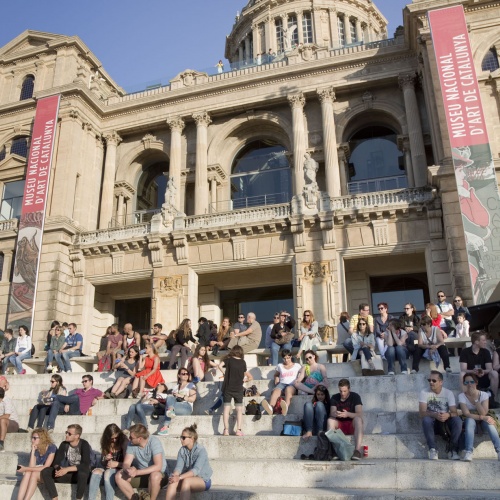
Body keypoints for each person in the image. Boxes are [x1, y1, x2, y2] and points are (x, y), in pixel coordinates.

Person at [115, 423, 168, 500]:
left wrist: (137, 472)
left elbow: (158, 466)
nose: (129, 438)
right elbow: (126, 463)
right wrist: (128, 470)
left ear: (139, 439)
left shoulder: (154, 442)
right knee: (119, 476)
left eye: (131, 437)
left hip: (159, 476)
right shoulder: (131, 443)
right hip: (142, 476)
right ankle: (135, 498)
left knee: (155, 475)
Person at [418, 370, 462, 460]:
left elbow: (454, 412)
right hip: (432, 423)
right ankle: (432, 449)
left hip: (445, 423)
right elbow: (422, 413)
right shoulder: (424, 392)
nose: (431, 382)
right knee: (426, 420)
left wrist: (448, 415)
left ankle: (452, 450)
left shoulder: (448, 393)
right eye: (429, 380)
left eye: (434, 380)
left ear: (441, 382)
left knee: (457, 420)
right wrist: (435, 415)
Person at [40, 424, 91, 500]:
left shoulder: (84, 444)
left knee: (82, 474)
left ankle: (78, 498)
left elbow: (85, 465)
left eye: (69, 433)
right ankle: (54, 498)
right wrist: (58, 469)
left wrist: (67, 469)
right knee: (46, 471)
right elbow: (56, 462)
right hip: (68, 474)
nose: (66, 435)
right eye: (66, 432)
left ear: (77, 436)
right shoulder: (64, 444)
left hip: (79, 475)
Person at [458, 373, 500, 462]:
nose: (469, 384)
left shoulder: (484, 395)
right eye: (466, 382)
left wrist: (476, 400)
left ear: (476, 382)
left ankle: (499, 450)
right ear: (464, 384)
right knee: (469, 421)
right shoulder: (461, 396)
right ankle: (468, 451)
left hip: (482, 417)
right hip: (471, 419)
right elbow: (467, 414)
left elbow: (484, 412)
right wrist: (482, 417)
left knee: (490, 423)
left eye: (472, 382)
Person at [165, 423, 213, 499]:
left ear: (192, 438)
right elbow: (178, 468)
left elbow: (196, 470)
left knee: (186, 481)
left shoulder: (201, 450)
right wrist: (174, 476)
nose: (181, 439)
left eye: (183, 437)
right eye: (181, 437)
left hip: (203, 480)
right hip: (188, 478)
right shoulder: (182, 450)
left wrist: (179, 477)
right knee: (173, 481)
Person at [88, 423, 129, 500]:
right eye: (111, 438)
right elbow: (102, 463)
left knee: (108, 473)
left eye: (116, 437)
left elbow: (128, 464)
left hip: (121, 469)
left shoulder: (124, 442)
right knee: (95, 472)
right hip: (108, 468)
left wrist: (117, 464)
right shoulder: (106, 443)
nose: (114, 440)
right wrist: (105, 459)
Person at [327, 378, 364, 460]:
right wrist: (336, 413)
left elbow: (359, 414)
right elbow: (332, 413)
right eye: (341, 391)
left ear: (349, 389)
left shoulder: (355, 397)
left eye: (345, 391)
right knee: (330, 420)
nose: (342, 393)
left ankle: (357, 450)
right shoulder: (335, 397)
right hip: (339, 424)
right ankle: (334, 450)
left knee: (358, 419)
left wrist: (347, 414)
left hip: (352, 424)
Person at [219, 345, 252, 436]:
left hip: (228, 388)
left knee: (226, 409)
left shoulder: (228, 360)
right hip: (238, 389)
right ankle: (238, 430)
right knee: (239, 409)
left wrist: (224, 373)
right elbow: (246, 374)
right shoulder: (242, 362)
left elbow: (219, 365)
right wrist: (245, 379)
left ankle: (226, 430)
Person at [16, 428, 57, 500]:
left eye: (35, 438)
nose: (32, 440)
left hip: (47, 474)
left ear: (42, 438)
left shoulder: (51, 447)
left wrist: (25, 469)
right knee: (28, 473)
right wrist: (33, 451)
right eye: (32, 438)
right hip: (36, 472)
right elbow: (31, 466)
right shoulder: (35, 448)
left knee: (30, 472)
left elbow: (46, 467)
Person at [261, 349, 301, 417]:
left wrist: (299, 381)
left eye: (288, 358)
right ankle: (271, 408)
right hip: (282, 383)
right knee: (276, 391)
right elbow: (276, 375)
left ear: (291, 357)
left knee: (288, 390)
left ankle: (285, 408)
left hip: (292, 384)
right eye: (284, 358)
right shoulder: (280, 366)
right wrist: (276, 381)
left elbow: (302, 374)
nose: (286, 360)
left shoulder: (297, 365)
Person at [158, 369, 197, 436]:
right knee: (170, 397)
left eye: (187, 373)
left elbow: (192, 399)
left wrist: (182, 396)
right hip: (175, 405)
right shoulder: (176, 387)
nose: (186, 375)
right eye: (183, 374)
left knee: (168, 407)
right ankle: (166, 424)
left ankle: (165, 427)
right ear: (179, 375)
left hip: (186, 406)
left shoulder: (191, 385)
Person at [459, 332, 498, 398]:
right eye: (483, 340)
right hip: (471, 377)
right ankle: (465, 398)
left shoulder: (486, 352)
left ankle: (494, 398)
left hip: (484, 376)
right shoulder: (465, 352)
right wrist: (473, 371)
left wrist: (483, 371)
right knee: (461, 374)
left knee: (494, 373)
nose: (485, 342)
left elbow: (489, 368)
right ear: (476, 342)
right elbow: (463, 369)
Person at [0, 386, 19, 451]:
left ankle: (1, 444)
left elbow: (7, 416)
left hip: (13, 424)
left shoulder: (6, 400)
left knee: (3, 420)